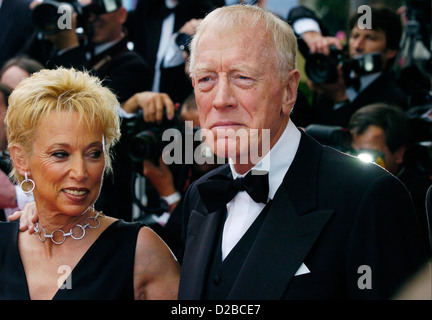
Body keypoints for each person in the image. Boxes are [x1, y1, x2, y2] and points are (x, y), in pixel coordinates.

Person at [178, 4, 429, 300]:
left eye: (242, 77)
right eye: (206, 78)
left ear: (289, 91)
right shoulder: (200, 196)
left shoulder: (368, 196)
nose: (221, 100)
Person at [0, 67, 180, 300]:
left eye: (94, 153)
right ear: (20, 159)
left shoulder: (140, 250)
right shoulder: (4, 243)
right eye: (61, 154)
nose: (80, 172)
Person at [287, 4, 409, 127]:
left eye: (370, 38)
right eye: (355, 36)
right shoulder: (337, 62)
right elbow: (298, 12)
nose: (358, 46)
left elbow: (360, 139)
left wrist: (340, 98)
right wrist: (314, 38)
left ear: (391, 51)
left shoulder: (394, 99)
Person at [348, 103, 432, 249]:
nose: (356, 160)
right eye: (352, 151)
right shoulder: (345, 182)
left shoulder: (419, 199)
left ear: (399, 153)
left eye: (369, 154)